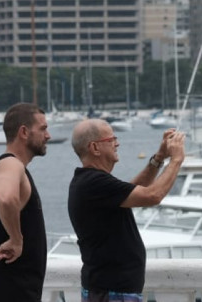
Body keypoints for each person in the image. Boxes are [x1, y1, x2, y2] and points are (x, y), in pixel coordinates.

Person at [66, 120, 186, 302]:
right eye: (111, 139)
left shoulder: (90, 181)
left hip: (109, 291)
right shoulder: (93, 182)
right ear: (95, 148)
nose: (117, 143)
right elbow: (152, 196)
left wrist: (159, 158)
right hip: (111, 292)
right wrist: (176, 160)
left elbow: (134, 190)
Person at [0, 102, 52, 301]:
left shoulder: (17, 167)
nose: (48, 136)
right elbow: (5, 197)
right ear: (24, 132)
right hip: (11, 291)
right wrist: (16, 239)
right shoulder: (10, 163)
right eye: (43, 129)